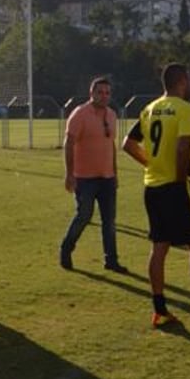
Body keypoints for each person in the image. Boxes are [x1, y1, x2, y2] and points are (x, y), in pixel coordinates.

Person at [123, 64, 190, 332]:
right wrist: (180, 180)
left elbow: (128, 143)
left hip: (153, 187)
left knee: (159, 247)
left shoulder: (149, 109)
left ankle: (159, 310)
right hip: (176, 186)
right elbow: (183, 148)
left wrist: (151, 164)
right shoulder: (185, 109)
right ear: (183, 80)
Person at [59, 76, 126, 273]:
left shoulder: (112, 115)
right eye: (100, 92)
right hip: (85, 178)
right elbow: (69, 143)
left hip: (107, 177)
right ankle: (66, 248)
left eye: (107, 92)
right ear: (91, 93)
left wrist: (114, 172)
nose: (104, 96)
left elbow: (111, 144)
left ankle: (111, 260)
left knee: (109, 221)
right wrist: (69, 174)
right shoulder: (80, 114)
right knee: (84, 216)